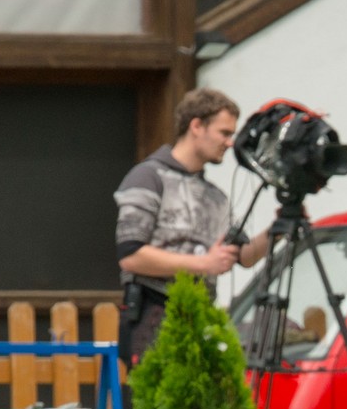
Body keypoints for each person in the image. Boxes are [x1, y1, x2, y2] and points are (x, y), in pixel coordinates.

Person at [113, 87, 271, 367]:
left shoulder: (216, 196)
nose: (230, 143)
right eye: (224, 133)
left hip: (200, 316)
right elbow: (131, 255)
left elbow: (243, 256)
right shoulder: (148, 177)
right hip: (152, 314)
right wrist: (204, 264)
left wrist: (277, 230)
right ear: (196, 126)